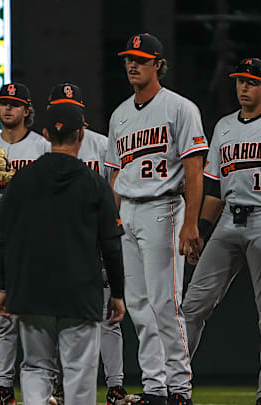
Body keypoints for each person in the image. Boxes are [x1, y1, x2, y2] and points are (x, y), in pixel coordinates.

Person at [0, 102, 126, 405]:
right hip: (80, 291)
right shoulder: (94, 182)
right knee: (79, 370)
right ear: (81, 134)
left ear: (46, 133)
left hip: (31, 288)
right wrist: (117, 292)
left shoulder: (22, 179)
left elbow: (4, 237)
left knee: (36, 367)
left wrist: (3, 286)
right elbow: (111, 244)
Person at [104, 33, 208, 405]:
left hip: (164, 206)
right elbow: (116, 177)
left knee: (165, 304)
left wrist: (191, 223)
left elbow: (195, 170)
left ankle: (179, 387)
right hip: (129, 212)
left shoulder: (180, 108)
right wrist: (110, 225)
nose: (133, 64)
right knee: (138, 306)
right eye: (129, 59)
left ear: (157, 64)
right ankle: (154, 387)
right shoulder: (120, 114)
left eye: (141, 59)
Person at [180, 58, 261, 405]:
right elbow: (213, 189)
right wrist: (200, 231)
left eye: (250, 82)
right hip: (227, 219)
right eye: (239, 81)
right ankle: (175, 385)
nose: (242, 87)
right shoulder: (224, 126)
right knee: (192, 306)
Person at [46, 82, 137, 405]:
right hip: (58, 240)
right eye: (60, 105)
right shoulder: (45, 149)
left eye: (72, 107)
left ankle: (115, 386)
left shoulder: (101, 144)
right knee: (59, 317)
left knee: (108, 316)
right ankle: (59, 386)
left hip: (95, 237)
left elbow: (117, 190)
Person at [0, 83, 50, 405]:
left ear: (26, 110)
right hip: (0, 233)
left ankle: (49, 387)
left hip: (36, 235)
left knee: (41, 314)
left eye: (15, 104)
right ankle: (4, 387)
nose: (8, 109)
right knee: (1, 315)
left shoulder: (43, 148)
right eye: (3, 103)